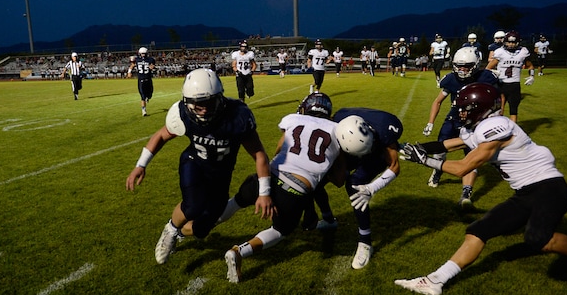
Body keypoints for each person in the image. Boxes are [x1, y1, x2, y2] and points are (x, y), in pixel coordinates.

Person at [395, 83, 567, 295]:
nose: (460, 112)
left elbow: (462, 168)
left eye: (465, 108)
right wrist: (411, 147)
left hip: (549, 188)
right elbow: (451, 144)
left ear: (482, 108)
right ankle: (434, 281)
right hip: (525, 192)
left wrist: (425, 161)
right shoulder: (482, 126)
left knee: (537, 239)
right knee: (479, 230)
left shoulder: (495, 127)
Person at [125, 69, 274, 265]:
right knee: (193, 205)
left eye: (208, 102)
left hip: (221, 174)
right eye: (197, 104)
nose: (202, 109)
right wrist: (141, 165)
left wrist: (264, 193)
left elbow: (259, 154)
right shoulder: (182, 114)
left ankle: (180, 233)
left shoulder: (237, 116)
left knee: (202, 228)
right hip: (194, 162)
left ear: (219, 97)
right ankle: (170, 230)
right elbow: (161, 135)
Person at [220, 92, 345, 282]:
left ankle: (198, 225)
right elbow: (339, 180)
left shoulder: (293, 119)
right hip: (295, 191)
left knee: (237, 201)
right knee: (280, 230)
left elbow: (279, 149)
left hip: (269, 177)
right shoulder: (338, 131)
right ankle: (239, 251)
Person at [306, 108, 404, 269]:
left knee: (355, 184)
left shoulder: (385, 127)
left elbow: (394, 166)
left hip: (375, 152)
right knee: (317, 177)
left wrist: (371, 188)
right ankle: (329, 219)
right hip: (346, 151)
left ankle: (365, 241)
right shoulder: (336, 124)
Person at [422, 47, 498, 206]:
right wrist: (430, 122)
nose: (462, 70)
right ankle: (437, 170)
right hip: (455, 118)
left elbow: (499, 97)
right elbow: (437, 101)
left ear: (476, 64)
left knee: (471, 157)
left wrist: (498, 115)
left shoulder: (486, 77)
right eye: (459, 66)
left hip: (477, 121)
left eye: (467, 66)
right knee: (440, 149)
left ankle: (466, 191)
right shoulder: (450, 79)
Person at [485, 30, 534, 123]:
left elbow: (530, 66)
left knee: (514, 111)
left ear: (518, 42)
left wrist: (531, 76)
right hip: (501, 84)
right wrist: (495, 72)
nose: (511, 44)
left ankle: (513, 133)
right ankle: (498, 131)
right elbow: (488, 68)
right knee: (499, 111)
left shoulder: (523, 52)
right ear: (505, 41)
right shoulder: (500, 52)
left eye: (513, 42)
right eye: (509, 42)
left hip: (514, 85)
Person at [127, 47, 155, 116]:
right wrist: (129, 72)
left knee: (149, 94)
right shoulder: (148, 59)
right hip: (143, 79)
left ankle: (147, 98)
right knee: (142, 96)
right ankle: (144, 110)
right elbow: (132, 65)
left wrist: (129, 72)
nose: (143, 55)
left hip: (147, 79)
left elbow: (152, 66)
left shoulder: (142, 59)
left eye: (143, 53)